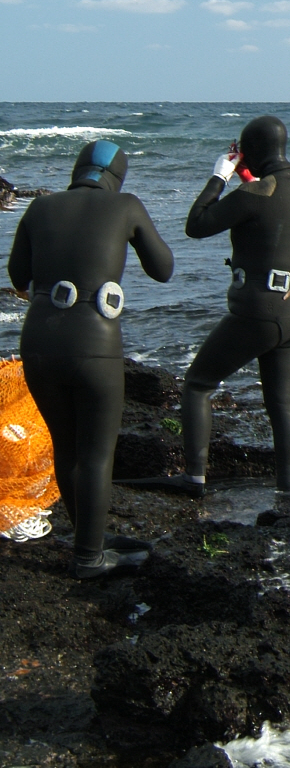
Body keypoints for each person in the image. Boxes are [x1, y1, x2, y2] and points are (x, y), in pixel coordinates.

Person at [6, 140, 173, 577]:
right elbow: (164, 268)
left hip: (39, 341)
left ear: (77, 169)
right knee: (96, 455)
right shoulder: (126, 206)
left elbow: (17, 275)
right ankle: (89, 558)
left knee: (65, 444)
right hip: (94, 341)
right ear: (117, 177)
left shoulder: (40, 208)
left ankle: (88, 537)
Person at [169, 115, 290, 496]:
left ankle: (194, 479)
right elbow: (269, 209)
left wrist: (220, 175)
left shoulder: (254, 193)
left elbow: (197, 224)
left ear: (248, 152)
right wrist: (246, 176)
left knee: (198, 384)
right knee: (281, 402)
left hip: (259, 313)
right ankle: (288, 489)